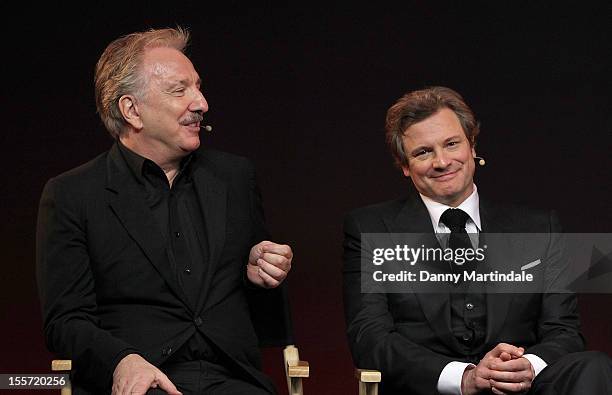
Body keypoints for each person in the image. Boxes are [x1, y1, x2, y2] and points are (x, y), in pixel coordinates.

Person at [36, 27, 293, 395]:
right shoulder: (72, 195)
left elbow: (264, 319)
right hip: (139, 381)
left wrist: (259, 277)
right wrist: (122, 360)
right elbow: (64, 321)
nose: (201, 102)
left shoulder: (235, 178)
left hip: (232, 380)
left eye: (198, 87)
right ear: (132, 110)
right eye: (180, 90)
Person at [342, 86, 612, 394]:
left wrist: (528, 366)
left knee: (594, 366)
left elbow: (564, 332)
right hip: (429, 389)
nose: (442, 162)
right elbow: (370, 338)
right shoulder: (370, 229)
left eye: (451, 144)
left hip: (522, 389)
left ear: (471, 146)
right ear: (405, 165)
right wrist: (464, 377)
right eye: (423, 152)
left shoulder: (539, 227)